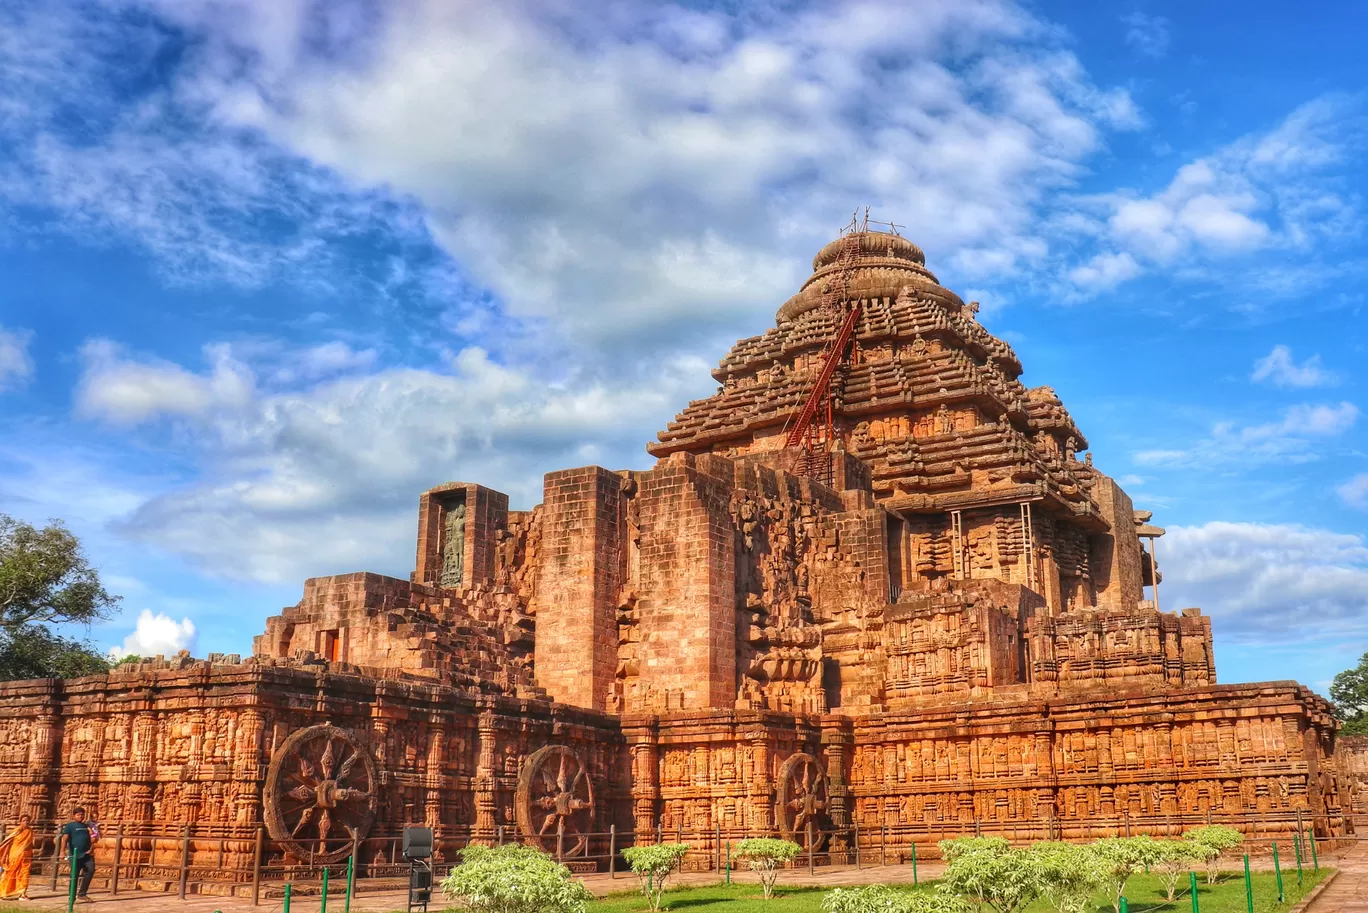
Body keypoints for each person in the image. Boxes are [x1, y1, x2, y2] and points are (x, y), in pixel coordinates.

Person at [58, 807, 96, 902]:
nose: (81, 816)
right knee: (74, 875)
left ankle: (82, 893)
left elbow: (93, 839)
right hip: (75, 854)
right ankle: (72, 896)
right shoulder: (70, 826)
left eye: (82, 814)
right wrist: (62, 851)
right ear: (74, 816)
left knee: (90, 871)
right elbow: (65, 839)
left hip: (87, 854)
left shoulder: (86, 826)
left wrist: (91, 847)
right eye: (78, 814)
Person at [0, 813, 34, 900]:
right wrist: (4, 856)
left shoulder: (30, 832)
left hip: (26, 856)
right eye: (24, 821)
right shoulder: (17, 831)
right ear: (20, 822)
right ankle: (3, 892)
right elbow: (7, 843)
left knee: (24, 874)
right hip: (14, 856)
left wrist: (31, 855)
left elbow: (30, 844)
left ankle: (22, 894)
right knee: (10, 873)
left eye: (27, 821)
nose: (26, 822)